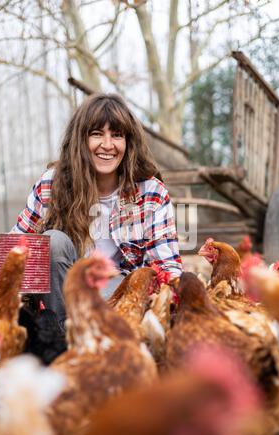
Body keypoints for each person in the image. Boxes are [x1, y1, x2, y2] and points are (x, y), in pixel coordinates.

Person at [12, 93, 182, 325]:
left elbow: (166, 263)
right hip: (63, 291)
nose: (107, 145)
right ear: (81, 140)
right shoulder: (52, 183)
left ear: (128, 143)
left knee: (107, 294)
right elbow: (15, 247)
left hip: (117, 289)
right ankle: (65, 341)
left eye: (117, 135)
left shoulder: (150, 192)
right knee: (53, 242)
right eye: (97, 134)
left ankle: (99, 340)